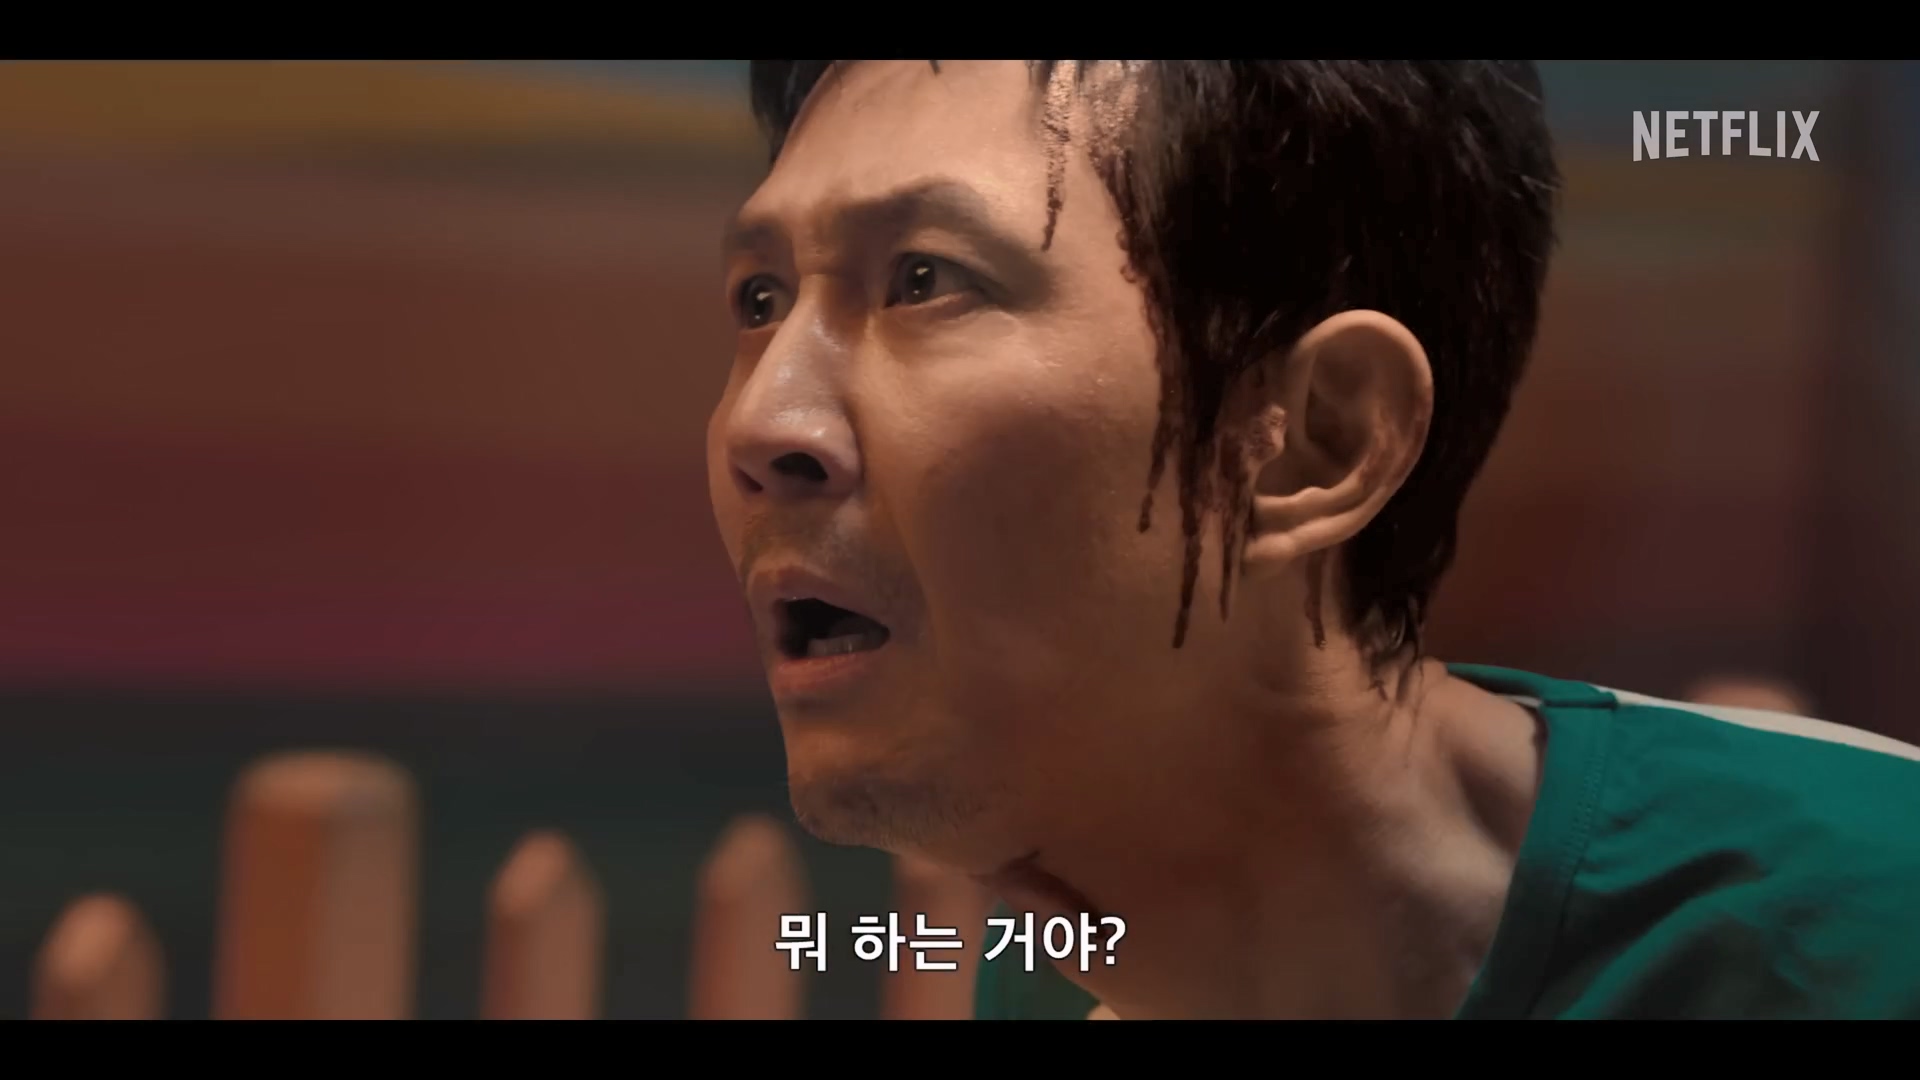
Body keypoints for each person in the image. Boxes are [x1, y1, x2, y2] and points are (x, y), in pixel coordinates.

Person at [705, 60, 1920, 1019]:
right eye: (762, 300)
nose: (759, 421)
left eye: (925, 280)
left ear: (1317, 441)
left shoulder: (1865, 929)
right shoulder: (1021, 963)